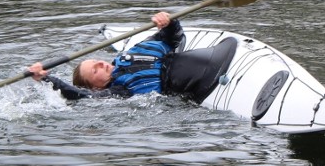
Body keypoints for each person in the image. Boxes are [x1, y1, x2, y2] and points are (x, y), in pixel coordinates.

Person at [28, 11, 238, 104]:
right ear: (96, 87)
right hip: (206, 81)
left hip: (218, 56)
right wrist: (46, 78)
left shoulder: (132, 51)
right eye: (95, 70)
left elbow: (172, 38)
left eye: (97, 61)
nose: (102, 63)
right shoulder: (118, 93)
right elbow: (78, 95)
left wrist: (169, 22)